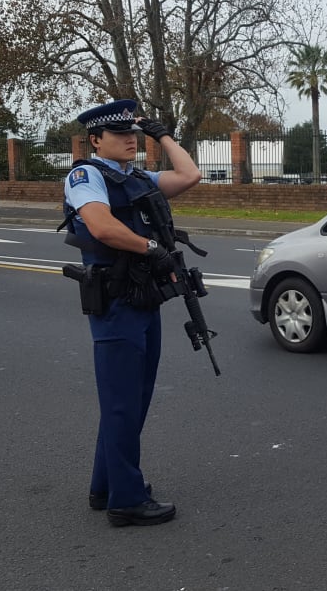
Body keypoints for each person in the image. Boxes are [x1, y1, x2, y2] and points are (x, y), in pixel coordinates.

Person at [62, 99, 201, 526]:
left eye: (133, 134)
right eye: (120, 134)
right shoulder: (86, 175)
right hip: (115, 300)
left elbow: (190, 175)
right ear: (95, 140)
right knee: (122, 403)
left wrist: (162, 133)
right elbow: (101, 226)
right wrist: (151, 247)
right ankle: (126, 500)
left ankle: (106, 485)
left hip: (144, 297)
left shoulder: (137, 176)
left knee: (132, 399)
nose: (129, 140)